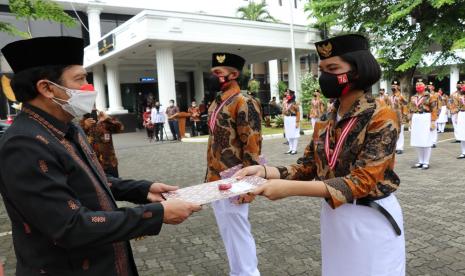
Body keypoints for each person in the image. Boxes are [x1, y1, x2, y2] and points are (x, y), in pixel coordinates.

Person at [0, 36, 201, 276]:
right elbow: (70, 226)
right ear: (46, 88)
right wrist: (156, 215)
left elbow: (90, 180)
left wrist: (143, 190)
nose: (89, 88)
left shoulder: (68, 128)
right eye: (80, 79)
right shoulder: (23, 144)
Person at [235, 34, 405, 276]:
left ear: (357, 71)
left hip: (371, 218)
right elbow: (307, 167)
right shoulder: (326, 118)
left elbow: (362, 181)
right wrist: (264, 172)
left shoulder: (381, 115)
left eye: (333, 68)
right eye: (322, 69)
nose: (324, 76)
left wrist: (286, 189)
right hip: (334, 216)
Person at [206, 52, 262, 276]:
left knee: (238, 231)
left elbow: (252, 145)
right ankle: (237, 272)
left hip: (235, 178)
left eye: (218, 73)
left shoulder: (244, 101)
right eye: (213, 73)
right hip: (215, 178)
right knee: (228, 231)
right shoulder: (218, 101)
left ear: (234, 74)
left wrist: (249, 186)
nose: (214, 76)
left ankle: (248, 273)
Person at [80, 110, 124, 177]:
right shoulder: (81, 124)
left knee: (115, 183)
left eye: (94, 106)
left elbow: (119, 128)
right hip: (93, 164)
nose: (92, 109)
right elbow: (76, 138)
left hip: (109, 162)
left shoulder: (104, 121)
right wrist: (84, 127)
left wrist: (108, 119)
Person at [408, 79, 437, 169]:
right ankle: (420, 161)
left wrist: (433, 121)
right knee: (418, 140)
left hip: (426, 117)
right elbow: (411, 109)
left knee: (426, 140)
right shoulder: (413, 97)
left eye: (420, 84)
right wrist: (410, 121)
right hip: (416, 118)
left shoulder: (431, 96)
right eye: (417, 84)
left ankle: (426, 162)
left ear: (425, 86)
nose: (418, 86)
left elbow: (434, 109)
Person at [387, 80, 408, 154]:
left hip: (399, 117)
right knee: (392, 132)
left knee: (400, 132)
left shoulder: (401, 96)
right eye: (392, 85)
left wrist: (404, 116)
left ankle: (400, 147)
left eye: (395, 85)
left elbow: (405, 106)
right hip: (391, 117)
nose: (393, 86)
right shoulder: (389, 97)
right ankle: (394, 147)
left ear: (398, 87)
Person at [283, 89, 300, 155]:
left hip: (293, 119)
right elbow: (284, 112)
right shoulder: (286, 103)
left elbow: (298, 112)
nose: (287, 95)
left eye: (288, 94)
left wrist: (297, 122)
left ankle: (294, 149)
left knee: (294, 135)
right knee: (289, 135)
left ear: (292, 95)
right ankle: (290, 149)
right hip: (287, 119)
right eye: (286, 94)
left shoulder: (295, 103)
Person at [453, 84, 465, 158]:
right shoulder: (459, 97)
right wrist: (457, 116)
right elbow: (457, 107)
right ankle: (463, 152)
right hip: (461, 114)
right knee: (462, 133)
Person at [427, 82, 439, 147]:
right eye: (428, 86)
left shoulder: (437, 94)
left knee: (433, 128)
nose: (429, 87)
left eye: (431, 86)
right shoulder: (425, 94)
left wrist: (438, 114)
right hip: (426, 114)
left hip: (434, 112)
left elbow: (439, 104)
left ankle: (433, 142)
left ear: (433, 87)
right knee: (427, 128)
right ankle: (428, 141)